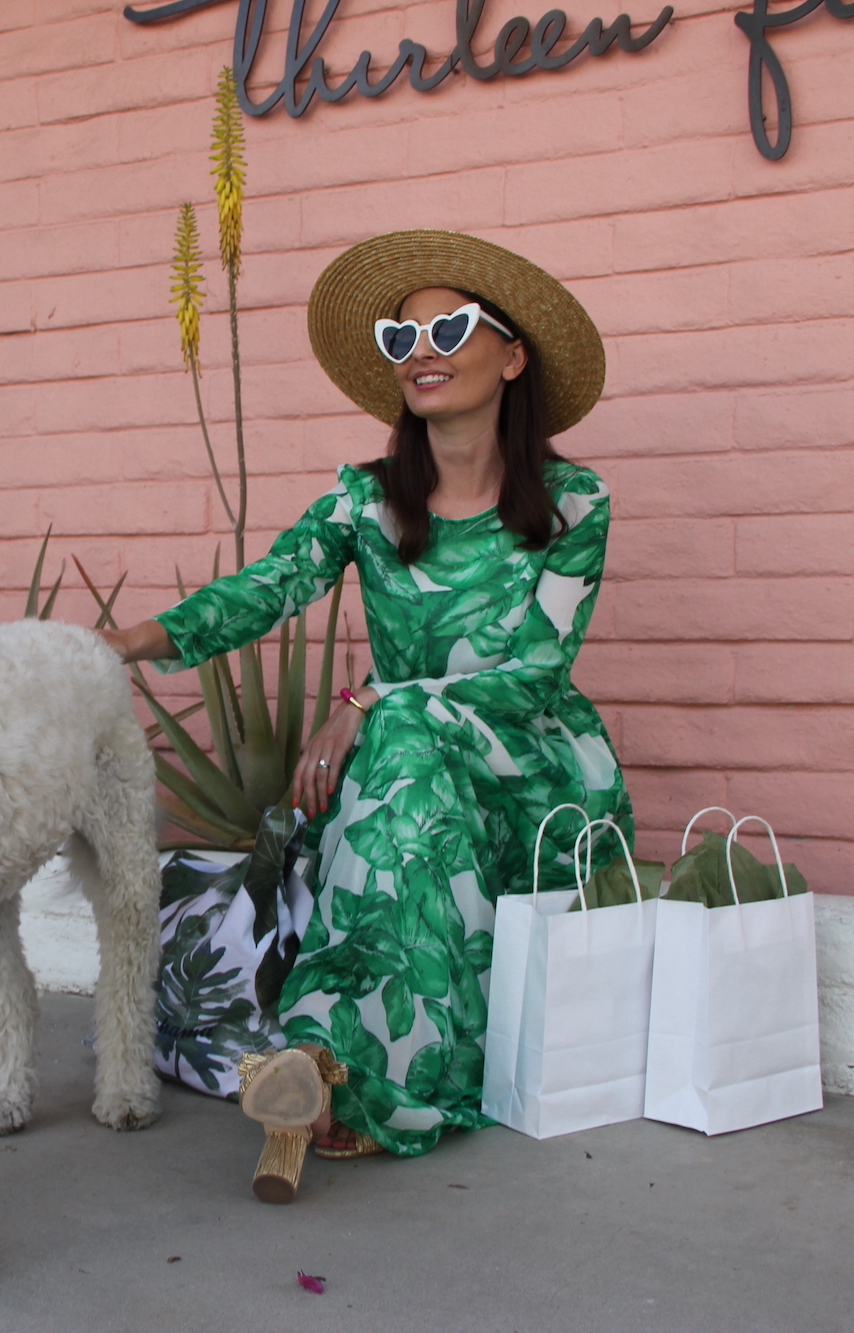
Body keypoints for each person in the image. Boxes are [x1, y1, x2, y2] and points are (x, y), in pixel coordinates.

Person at [99, 230, 633, 1202]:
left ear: (510, 356)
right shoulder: (366, 500)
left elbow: (534, 676)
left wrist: (372, 698)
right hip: (411, 781)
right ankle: (324, 1060)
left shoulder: (571, 504)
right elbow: (269, 587)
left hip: (533, 782)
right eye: (400, 335)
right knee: (403, 739)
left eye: (448, 326)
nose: (419, 347)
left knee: (401, 730)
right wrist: (135, 641)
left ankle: (338, 1069)